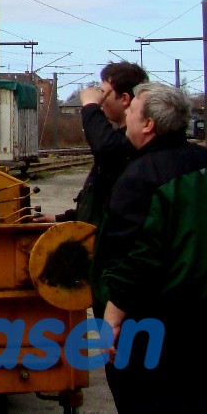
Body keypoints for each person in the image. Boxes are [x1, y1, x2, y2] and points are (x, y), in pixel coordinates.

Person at [95, 83, 207, 414]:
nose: (125, 115)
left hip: (151, 323)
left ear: (148, 125)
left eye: (132, 111)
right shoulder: (202, 161)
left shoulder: (141, 177)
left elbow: (136, 257)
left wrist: (112, 318)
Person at [51, 62, 147, 233]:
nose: (100, 100)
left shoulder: (133, 142)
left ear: (124, 99)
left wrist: (90, 106)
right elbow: (101, 200)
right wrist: (65, 219)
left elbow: (106, 147)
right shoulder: (121, 138)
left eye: (104, 93)